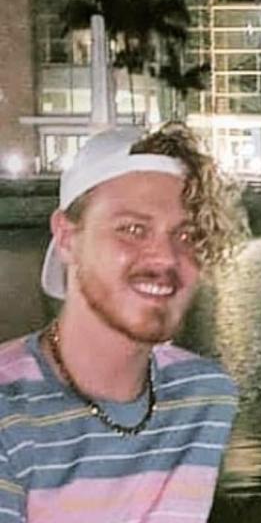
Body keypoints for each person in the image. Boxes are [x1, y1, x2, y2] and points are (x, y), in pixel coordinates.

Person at [0, 123, 247, 522]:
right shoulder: (9, 411)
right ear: (67, 238)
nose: (166, 259)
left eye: (186, 236)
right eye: (133, 229)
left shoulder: (204, 396)